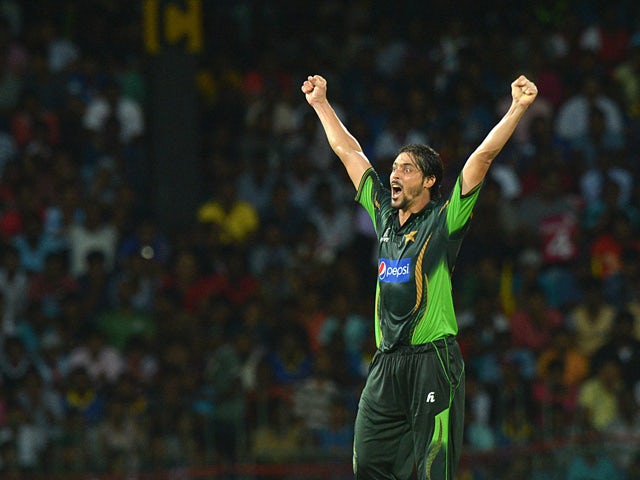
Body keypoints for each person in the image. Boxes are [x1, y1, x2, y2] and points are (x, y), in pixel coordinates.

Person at [301, 72, 537, 479]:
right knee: (369, 465)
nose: (394, 174)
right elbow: (349, 152)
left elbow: (480, 159)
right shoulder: (384, 217)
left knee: (432, 470)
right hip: (386, 364)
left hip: (433, 360)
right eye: (394, 167)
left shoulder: (445, 220)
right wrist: (321, 103)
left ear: (429, 181)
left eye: (406, 169)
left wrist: (517, 107)